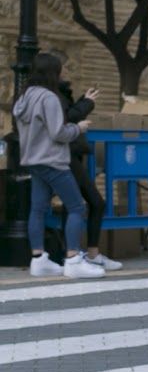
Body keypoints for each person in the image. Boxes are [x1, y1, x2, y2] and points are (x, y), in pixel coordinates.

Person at [15, 53, 104, 279]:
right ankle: (73, 259)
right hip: (53, 161)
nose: (63, 72)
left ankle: (39, 260)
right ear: (52, 72)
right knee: (76, 207)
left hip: (33, 161)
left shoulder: (23, 97)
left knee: (37, 209)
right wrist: (78, 128)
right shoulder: (49, 98)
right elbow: (59, 133)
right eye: (60, 69)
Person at [58, 78, 122, 271]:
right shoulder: (51, 95)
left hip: (67, 155)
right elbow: (67, 117)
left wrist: (83, 101)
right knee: (89, 203)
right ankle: (77, 255)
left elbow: (68, 114)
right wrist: (86, 103)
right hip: (65, 155)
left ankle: (76, 254)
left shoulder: (53, 94)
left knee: (74, 205)